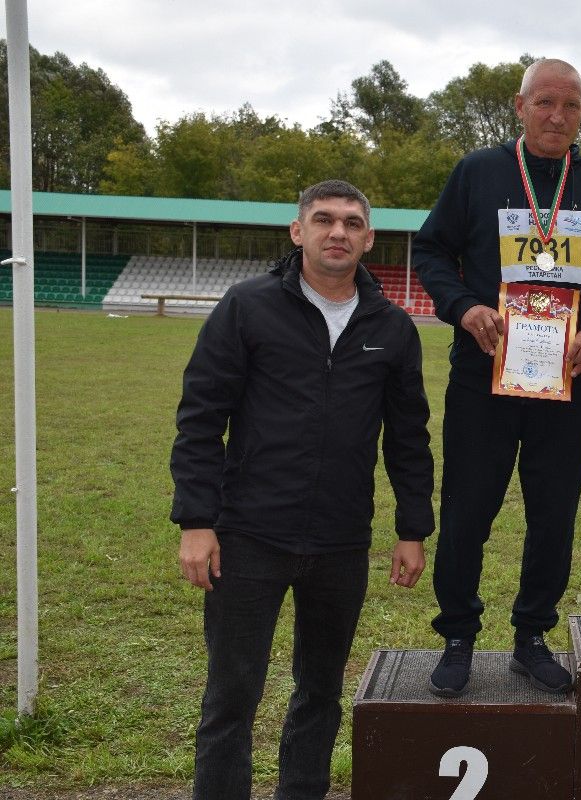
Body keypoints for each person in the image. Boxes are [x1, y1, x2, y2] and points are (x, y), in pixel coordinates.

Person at [171, 179, 435, 800]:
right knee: (232, 696)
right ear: (298, 232)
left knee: (321, 693)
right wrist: (196, 521)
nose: (337, 232)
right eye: (323, 220)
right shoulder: (247, 307)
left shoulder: (393, 328)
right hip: (247, 536)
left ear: (369, 239)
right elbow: (200, 417)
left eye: (350, 222)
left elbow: (408, 437)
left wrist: (412, 529)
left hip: (341, 542)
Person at [413, 57, 581, 697]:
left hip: (566, 384)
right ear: (519, 105)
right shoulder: (478, 173)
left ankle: (531, 636)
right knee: (467, 509)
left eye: (570, 106)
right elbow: (431, 250)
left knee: (553, 516)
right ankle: (457, 635)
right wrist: (464, 308)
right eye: (545, 103)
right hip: (483, 376)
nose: (557, 116)